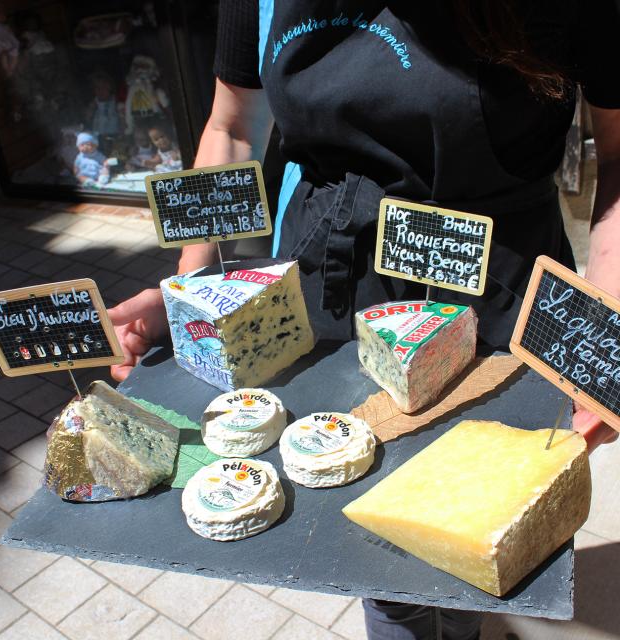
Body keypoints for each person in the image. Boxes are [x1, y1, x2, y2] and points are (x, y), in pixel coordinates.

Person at [109, 2, 620, 637]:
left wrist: (604, 335)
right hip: (331, 285)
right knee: (369, 535)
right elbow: (234, 127)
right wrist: (192, 289)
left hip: (496, 291)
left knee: (471, 532)